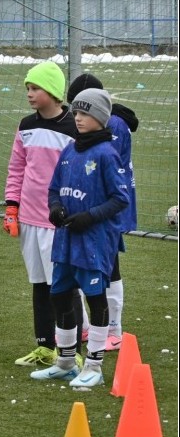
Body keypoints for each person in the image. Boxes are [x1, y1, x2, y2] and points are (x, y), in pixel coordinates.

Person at [31, 88, 129, 387]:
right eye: (76, 112)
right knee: (59, 295)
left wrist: (90, 216)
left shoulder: (107, 154)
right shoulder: (69, 150)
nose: (78, 118)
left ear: (100, 117)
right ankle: (65, 362)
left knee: (96, 299)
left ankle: (94, 367)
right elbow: (53, 189)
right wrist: (55, 208)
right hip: (66, 240)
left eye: (85, 113)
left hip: (93, 242)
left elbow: (120, 198)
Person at [4, 61, 81, 370]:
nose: (29, 93)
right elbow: (16, 168)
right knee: (39, 283)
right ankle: (45, 346)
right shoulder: (26, 126)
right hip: (29, 219)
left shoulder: (73, 128)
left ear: (52, 91)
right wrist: (12, 208)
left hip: (59, 221)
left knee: (63, 286)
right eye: (28, 88)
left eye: (35, 88)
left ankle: (72, 350)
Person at [66, 73, 139, 352]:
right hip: (90, 206)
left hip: (108, 209)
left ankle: (113, 329)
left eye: (80, 107)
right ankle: (88, 326)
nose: (76, 115)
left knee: (109, 267)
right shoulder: (96, 122)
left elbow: (105, 166)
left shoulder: (114, 123)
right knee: (84, 264)